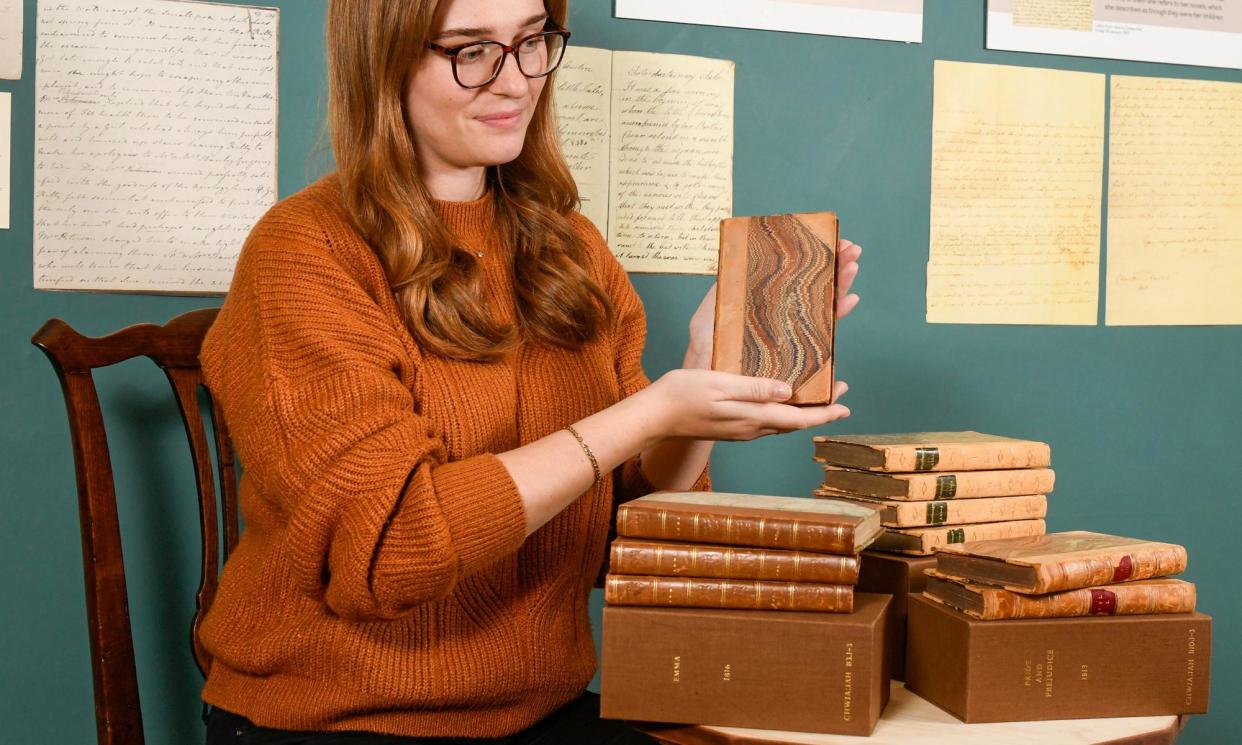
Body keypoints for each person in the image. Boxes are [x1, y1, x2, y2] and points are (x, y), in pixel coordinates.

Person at [199, 0, 863, 742]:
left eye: (530, 42)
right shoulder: (303, 251)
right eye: (470, 50)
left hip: (542, 712)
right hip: (339, 718)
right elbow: (391, 551)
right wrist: (649, 414)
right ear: (381, 59)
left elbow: (627, 540)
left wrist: (696, 394)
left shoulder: (571, 249)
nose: (514, 82)